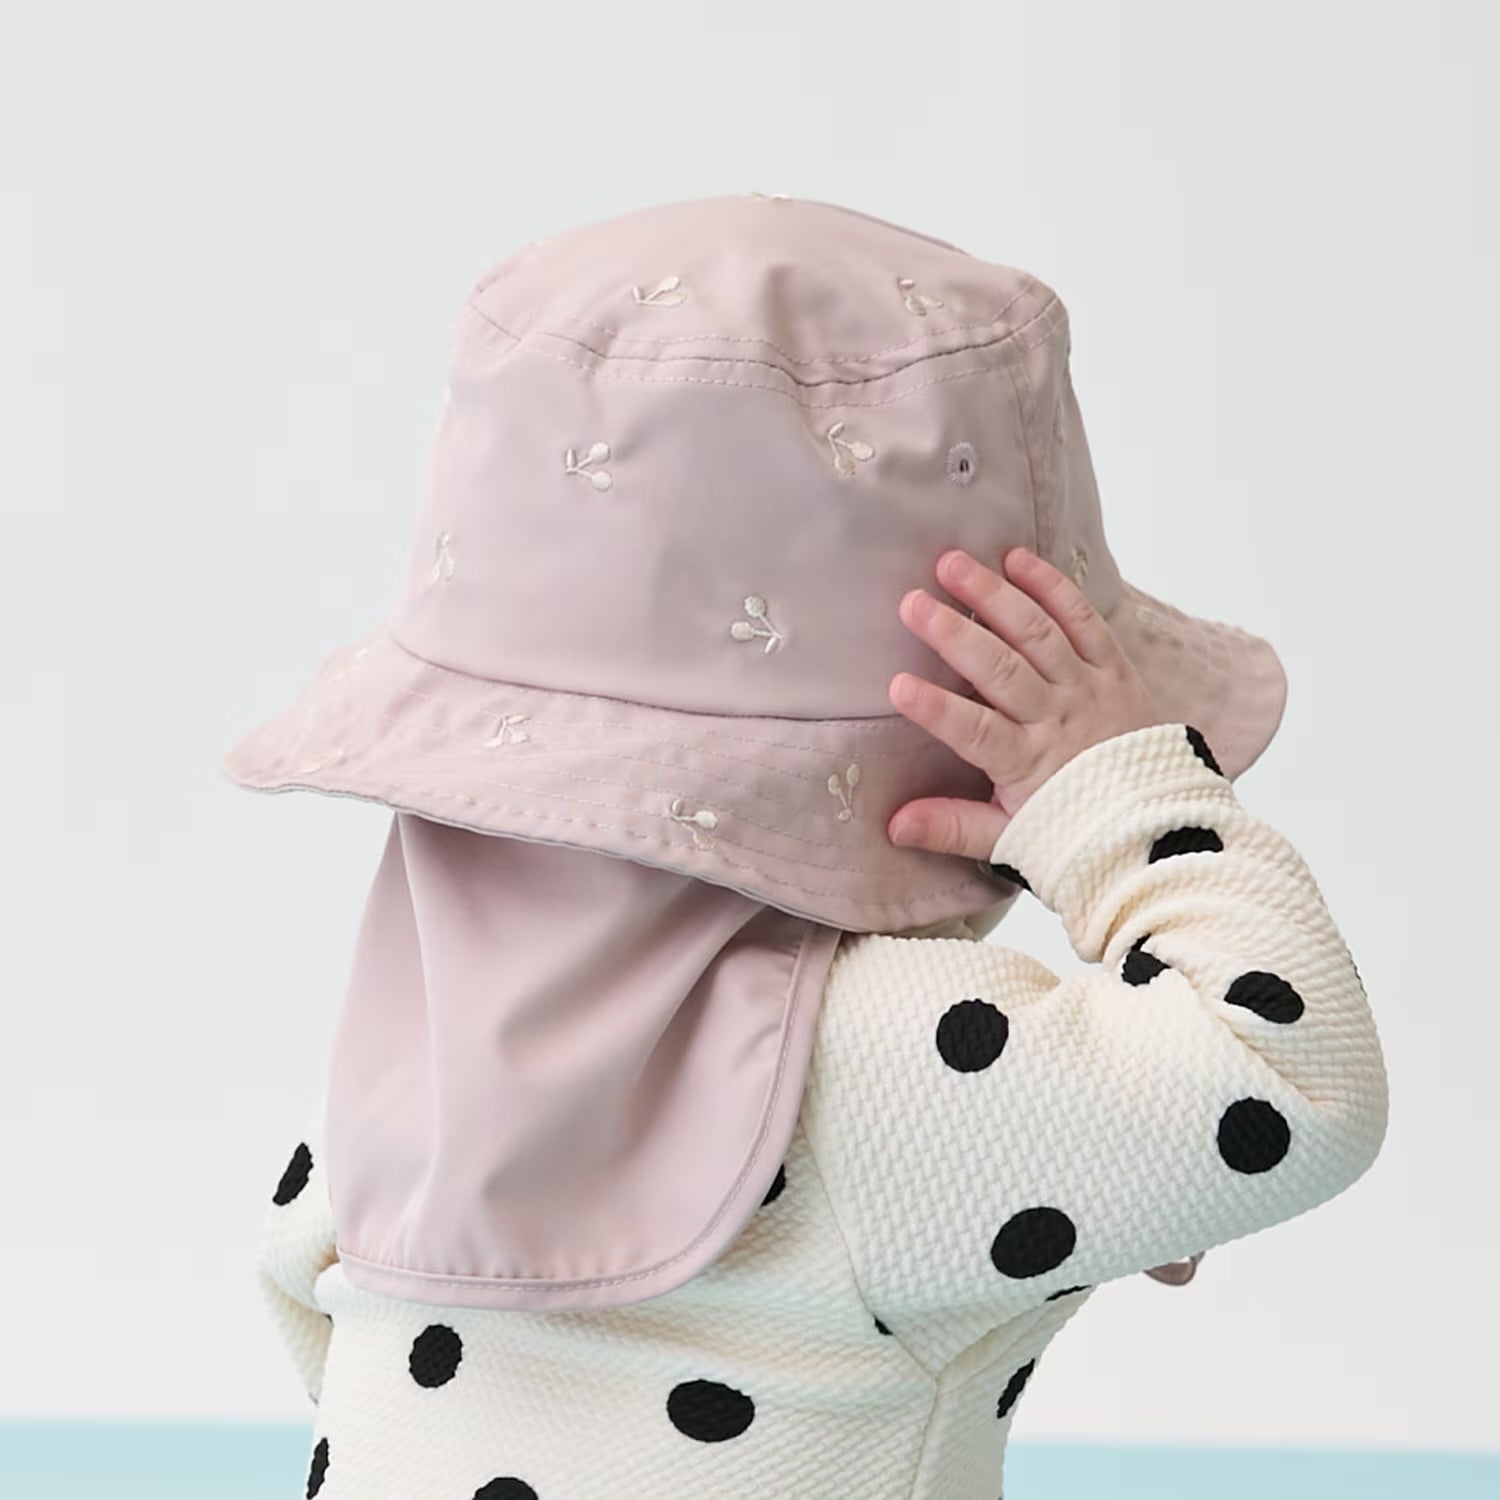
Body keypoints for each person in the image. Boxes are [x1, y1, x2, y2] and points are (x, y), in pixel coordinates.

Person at [228, 196, 1389, 1500]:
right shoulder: (883, 1061)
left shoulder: (419, 1045)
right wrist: (1110, 802)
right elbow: (1292, 1081)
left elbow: (302, 1296)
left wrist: (1090, 1149)